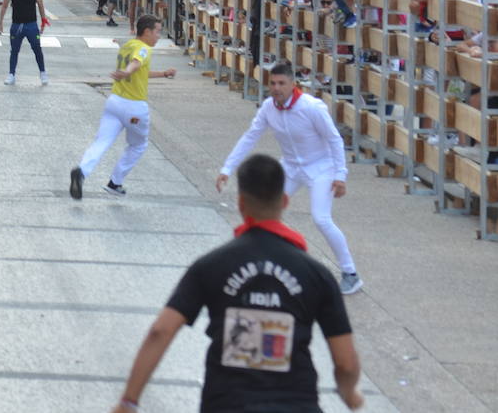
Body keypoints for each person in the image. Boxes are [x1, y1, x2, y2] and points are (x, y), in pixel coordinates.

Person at [109, 154, 363, 413]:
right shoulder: (316, 274)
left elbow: (160, 331)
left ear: (241, 204)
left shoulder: (211, 265)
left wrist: (128, 401)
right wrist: (348, 392)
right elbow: (346, 363)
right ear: (284, 201)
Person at [217, 62, 363, 294]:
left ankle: (350, 273)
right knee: (260, 209)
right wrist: (227, 168)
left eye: (281, 83)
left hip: (321, 167)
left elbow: (335, 139)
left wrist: (340, 174)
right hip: (291, 167)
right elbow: (249, 137)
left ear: (292, 84)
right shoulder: (268, 107)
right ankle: (258, 263)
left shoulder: (312, 107)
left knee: (321, 218)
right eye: (273, 83)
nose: (276, 88)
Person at [70, 15, 174, 199]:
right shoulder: (143, 49)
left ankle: (82, 172)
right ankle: (115, 182)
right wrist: (126, 72)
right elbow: (135, 64)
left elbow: (140, 71)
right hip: (134, 106)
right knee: (138, 145)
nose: (159, 36)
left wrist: (163, 74)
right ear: (147, 31)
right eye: (157, 31)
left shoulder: (127, 45)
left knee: (101, 141)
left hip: (114, 102)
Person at [0, 0, 48, 87]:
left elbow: (41, 6)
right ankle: (11, 74)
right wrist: (0, 22)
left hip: (31, 25)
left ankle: (43, 73)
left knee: (37, 49)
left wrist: (43, 21)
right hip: (16, 25)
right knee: (14, 50)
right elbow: (4, 6)